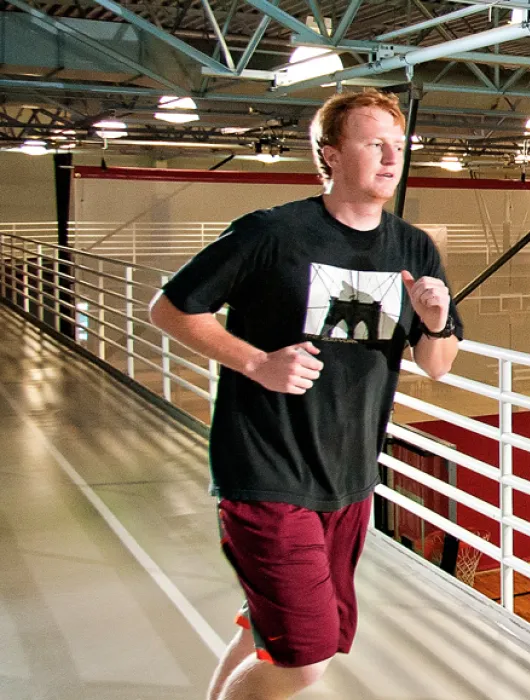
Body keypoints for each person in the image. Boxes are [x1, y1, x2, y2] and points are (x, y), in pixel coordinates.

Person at [148, 88, 463, 700]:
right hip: (265, 471)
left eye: (398, 146)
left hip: (348, 480)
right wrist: (257, 361)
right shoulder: (272, 233)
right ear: (331, 155)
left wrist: (434, 320)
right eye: (374, 143)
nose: (391, 158)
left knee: (279, 634)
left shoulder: (414, 246)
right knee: (304, 659)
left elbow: (438, 365)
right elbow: (171, 307)